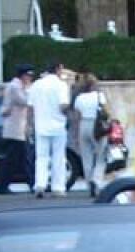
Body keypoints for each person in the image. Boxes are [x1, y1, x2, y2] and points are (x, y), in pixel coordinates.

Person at [29, 61, 70, 197]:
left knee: (41, 157)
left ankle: (40, 184)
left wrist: (29, 124)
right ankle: (58, 187)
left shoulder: (36, 85)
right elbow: (63, 105)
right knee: (58, 156)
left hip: (40, 124)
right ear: (57, 69)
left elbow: (30, 107)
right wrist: (68, 114)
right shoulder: (61, 85)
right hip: (58, 125)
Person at [71, 69, 109, 197]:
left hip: (84, 126)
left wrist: (76, 136)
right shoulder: (99, 96)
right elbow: (105, 112)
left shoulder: (79, 98)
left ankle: (89, 183)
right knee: (101, 156)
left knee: (86, 157)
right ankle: (96, 180)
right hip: (97, 126)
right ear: (94, 84)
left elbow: (76, 118)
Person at [0, 64, 33, 194]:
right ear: (23, 75)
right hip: (14, 129)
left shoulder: (18, 86)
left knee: (22, 158)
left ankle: (31, 183)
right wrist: (29, 89)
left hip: (19, 128)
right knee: (13, 160)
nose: (29, 78)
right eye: (28, 75)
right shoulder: (14, 86)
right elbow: (25, 101)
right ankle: (3, 186)